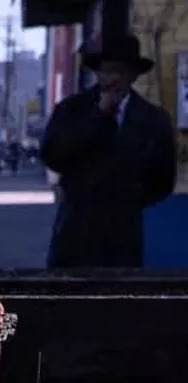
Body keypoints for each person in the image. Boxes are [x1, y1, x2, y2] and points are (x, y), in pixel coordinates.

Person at [40, 34, 177, 268]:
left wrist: (130, 197)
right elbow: (52, 155)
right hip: (77, 224)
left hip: (123, 229)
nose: (112, 79)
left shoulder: (152, 119)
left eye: (120, 72)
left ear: (133, 76)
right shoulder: (72, 110)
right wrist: (98, 117)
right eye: (107, 71)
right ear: (98, 73)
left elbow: (163, 179)